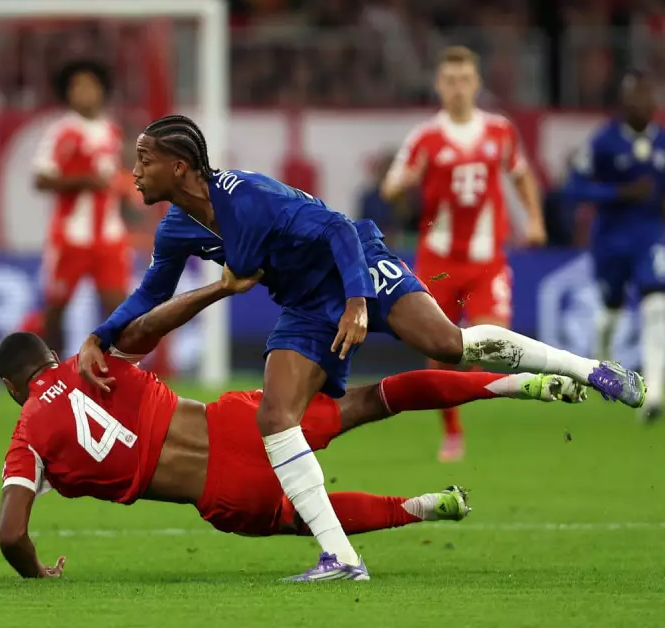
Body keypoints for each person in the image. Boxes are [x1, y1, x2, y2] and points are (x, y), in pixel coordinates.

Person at [77, 113, 644, 582]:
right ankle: (341, 557)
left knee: (447, 343)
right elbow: (150, 293)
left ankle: (591, 369)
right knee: (276, 418)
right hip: (304, 304)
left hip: (357, 268)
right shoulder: (177, 228)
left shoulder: (248, 197)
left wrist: (356, 301)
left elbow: (339, 229)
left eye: (144, 160)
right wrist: (102, 335)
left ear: (179, 167)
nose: (134, 172)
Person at [0, 270, 588, 580]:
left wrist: (37, 572)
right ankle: (516, 383)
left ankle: (424, 507)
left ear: (9, 388)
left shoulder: (27, 438)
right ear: (50, 357)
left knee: (310, 518)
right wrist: (219, 288)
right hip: (239, 424)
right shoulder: (91, 360)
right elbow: (151, 325)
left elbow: (11, 535)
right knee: (373, 400)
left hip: (222, 496)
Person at [380, 46, 548, 462]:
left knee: (492, 342)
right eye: (450, 80)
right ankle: (452, 431)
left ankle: (466, 390)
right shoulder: (425, 138)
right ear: (438, 85)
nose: (457, 88)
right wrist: (404, 183)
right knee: (440, 352)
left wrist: (535, 220)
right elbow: (390, 188)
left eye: (464, 80)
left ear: (476, 83)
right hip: (438, 264)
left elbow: (522, 176)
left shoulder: (499, 131)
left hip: (486, 259)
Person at [564, 69, 665, 423]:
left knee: (656, 306)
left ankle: (654, 393)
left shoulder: (662, 141)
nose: (646, 102)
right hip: (610, 239)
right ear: (624, 103)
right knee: (611, 310)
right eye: (637, 95)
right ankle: (601, 360)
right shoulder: (604, 141)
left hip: (650, 235)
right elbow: (574, 188)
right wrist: (617, 193)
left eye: (649, 95)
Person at [33, 59, 129, 354]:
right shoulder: (63, 132)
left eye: (91, 86)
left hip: (109, 237)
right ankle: (46, 376)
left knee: (121, 312)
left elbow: (114, 180)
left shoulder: (112, 131)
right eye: (78, 87)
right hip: (72, 236)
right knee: (55, 311)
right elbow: (41, 179)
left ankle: (119, 380)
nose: (85, 93)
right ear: (68, 93)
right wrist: (84, 181)